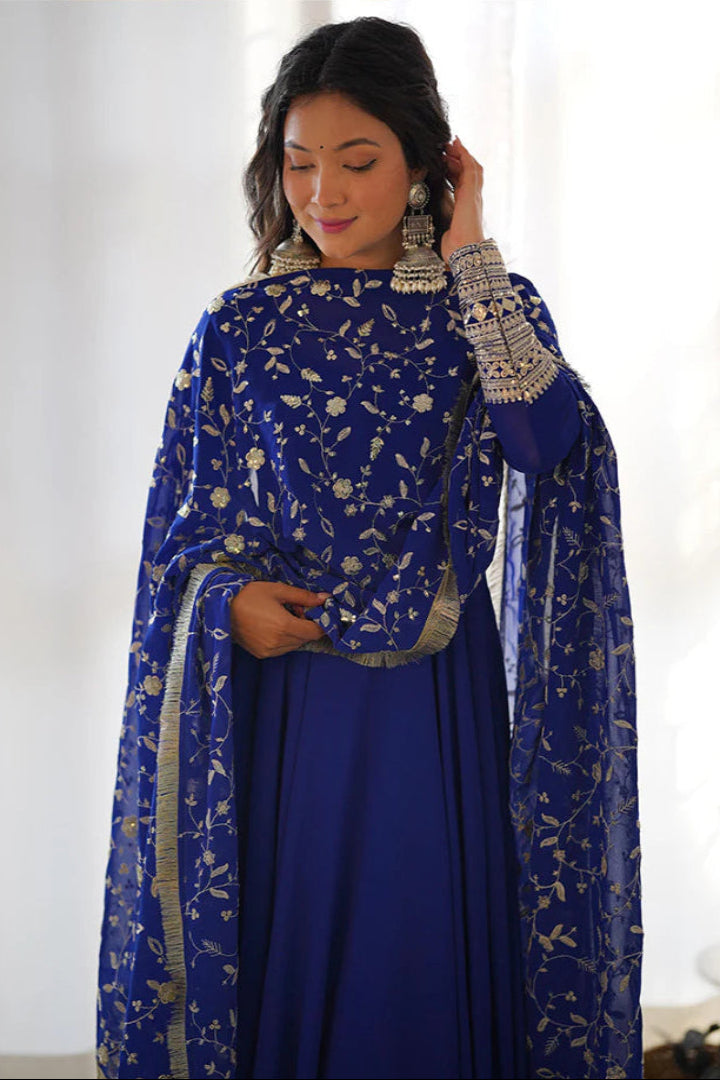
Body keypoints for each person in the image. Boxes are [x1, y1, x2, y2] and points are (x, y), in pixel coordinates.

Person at [96, 16, 642, 1080]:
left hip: (435, 696)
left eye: (358, 162)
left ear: (424, 163)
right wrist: (225, 605)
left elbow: (546, 445)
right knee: (291, 951)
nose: (325, 194)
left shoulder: (484, 310)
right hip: (286, 697)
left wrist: (472, 254)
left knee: (420, 941)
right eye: (300, 165)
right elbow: (180, 534)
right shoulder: (241, 327)